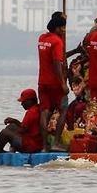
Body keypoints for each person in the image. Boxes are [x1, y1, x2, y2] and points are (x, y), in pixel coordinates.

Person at [0, 89, 43, 165]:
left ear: (30, 101)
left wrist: (13, 127)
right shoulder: (37, 108)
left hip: (31, 146)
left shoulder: (31, 112)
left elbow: (23, 130)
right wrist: (14, 121)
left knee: (4, 133)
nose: (22, 104)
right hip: (34, 141)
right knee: (11, 127)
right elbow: (26, 127)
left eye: (23, 102)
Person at [37, 14, 68, 151]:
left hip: (42, 82)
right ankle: (55, 143)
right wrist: (63, 83)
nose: (64, 30)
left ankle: (44, 146)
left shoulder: (41, 38)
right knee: (64, 110)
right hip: (55, 83)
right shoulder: (57, 41)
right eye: (62, 28)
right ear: (56, 28)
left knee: (45, 112)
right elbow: (57, 63)